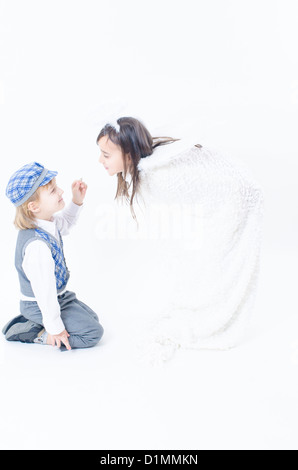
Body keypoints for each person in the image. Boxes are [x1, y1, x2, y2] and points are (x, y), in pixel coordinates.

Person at [96, 116, 263, 359]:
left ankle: (213, 316)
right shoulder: (148, 167)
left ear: (129, 155)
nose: (100, 160)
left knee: (215, 263)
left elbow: (183, 221)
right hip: (223, 195)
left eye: (106, 155)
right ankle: (204, 303)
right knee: (199, 260)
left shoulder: (158, 176)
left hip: (237, 197)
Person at [2, 162, 104, 350]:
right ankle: (36, 334)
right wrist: (55, 328)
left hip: (60, 296)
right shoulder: (36, 246)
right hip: (40, 303)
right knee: (92, 333)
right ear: (33, 206)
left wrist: (76, 201)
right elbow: (45, 293)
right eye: (53, 191)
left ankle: (37, 322)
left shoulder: (47, 222)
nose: (61, 192)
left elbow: (66, 223)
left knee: (93, 319)